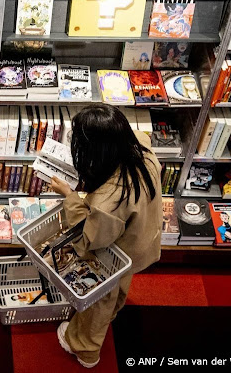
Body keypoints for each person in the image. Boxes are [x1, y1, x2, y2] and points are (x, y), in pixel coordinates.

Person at [48, 104, 162, 369]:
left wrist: (69, 195)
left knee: (100, 297)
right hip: (141, 240)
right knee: (120, 286)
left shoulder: (110, 199)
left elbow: (91, 237)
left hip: (115, 253)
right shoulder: (142, 151)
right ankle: (114, 311)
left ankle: (85, 348)